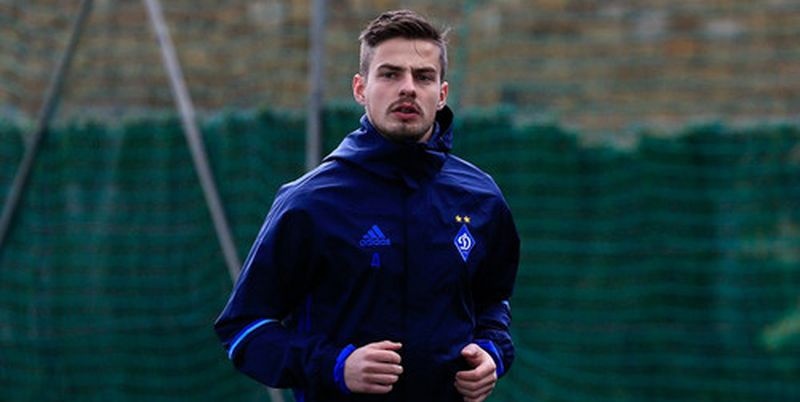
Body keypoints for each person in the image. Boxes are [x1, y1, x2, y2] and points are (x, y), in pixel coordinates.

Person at [214, 9, 519, 402]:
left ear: (442, 94)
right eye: (390, 74)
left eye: (423, 77)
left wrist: (492, 353)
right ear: (360, 88)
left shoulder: (482, 198)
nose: (408, 88)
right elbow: (243, 330)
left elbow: (492, 302)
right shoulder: (309, 202)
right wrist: (336, 365)